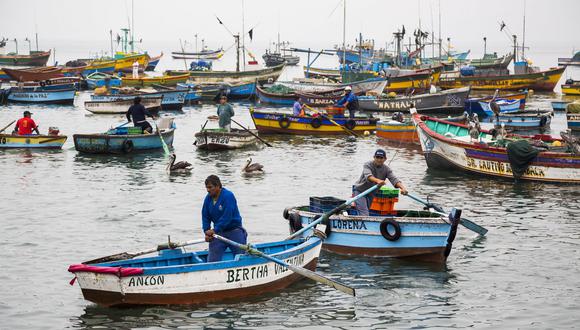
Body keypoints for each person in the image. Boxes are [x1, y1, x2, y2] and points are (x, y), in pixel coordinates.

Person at [202, 175, 248, 262]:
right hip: (219, 233)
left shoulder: (228, 196)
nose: (208, 190)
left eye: (210, 187)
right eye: (206, 188)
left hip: (234, 231)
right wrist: (206, 231)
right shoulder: (208, 198)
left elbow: (227, 217)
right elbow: (205, 216)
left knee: (241, 259)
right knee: (212, 261)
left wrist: (214, 230)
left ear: (218, 186)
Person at [353, 149, 408, 216]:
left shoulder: (387, 169)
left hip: (371, 193)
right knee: (364, 212)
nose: (379, 160)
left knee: (367, 210)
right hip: (360, 191)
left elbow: (394, 179)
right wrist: (378, 180)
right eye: (377, 157)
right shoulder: (367, 165)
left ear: (385, 159)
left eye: (381, 158)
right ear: (374, 157)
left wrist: (403, 188)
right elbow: (368, 176)